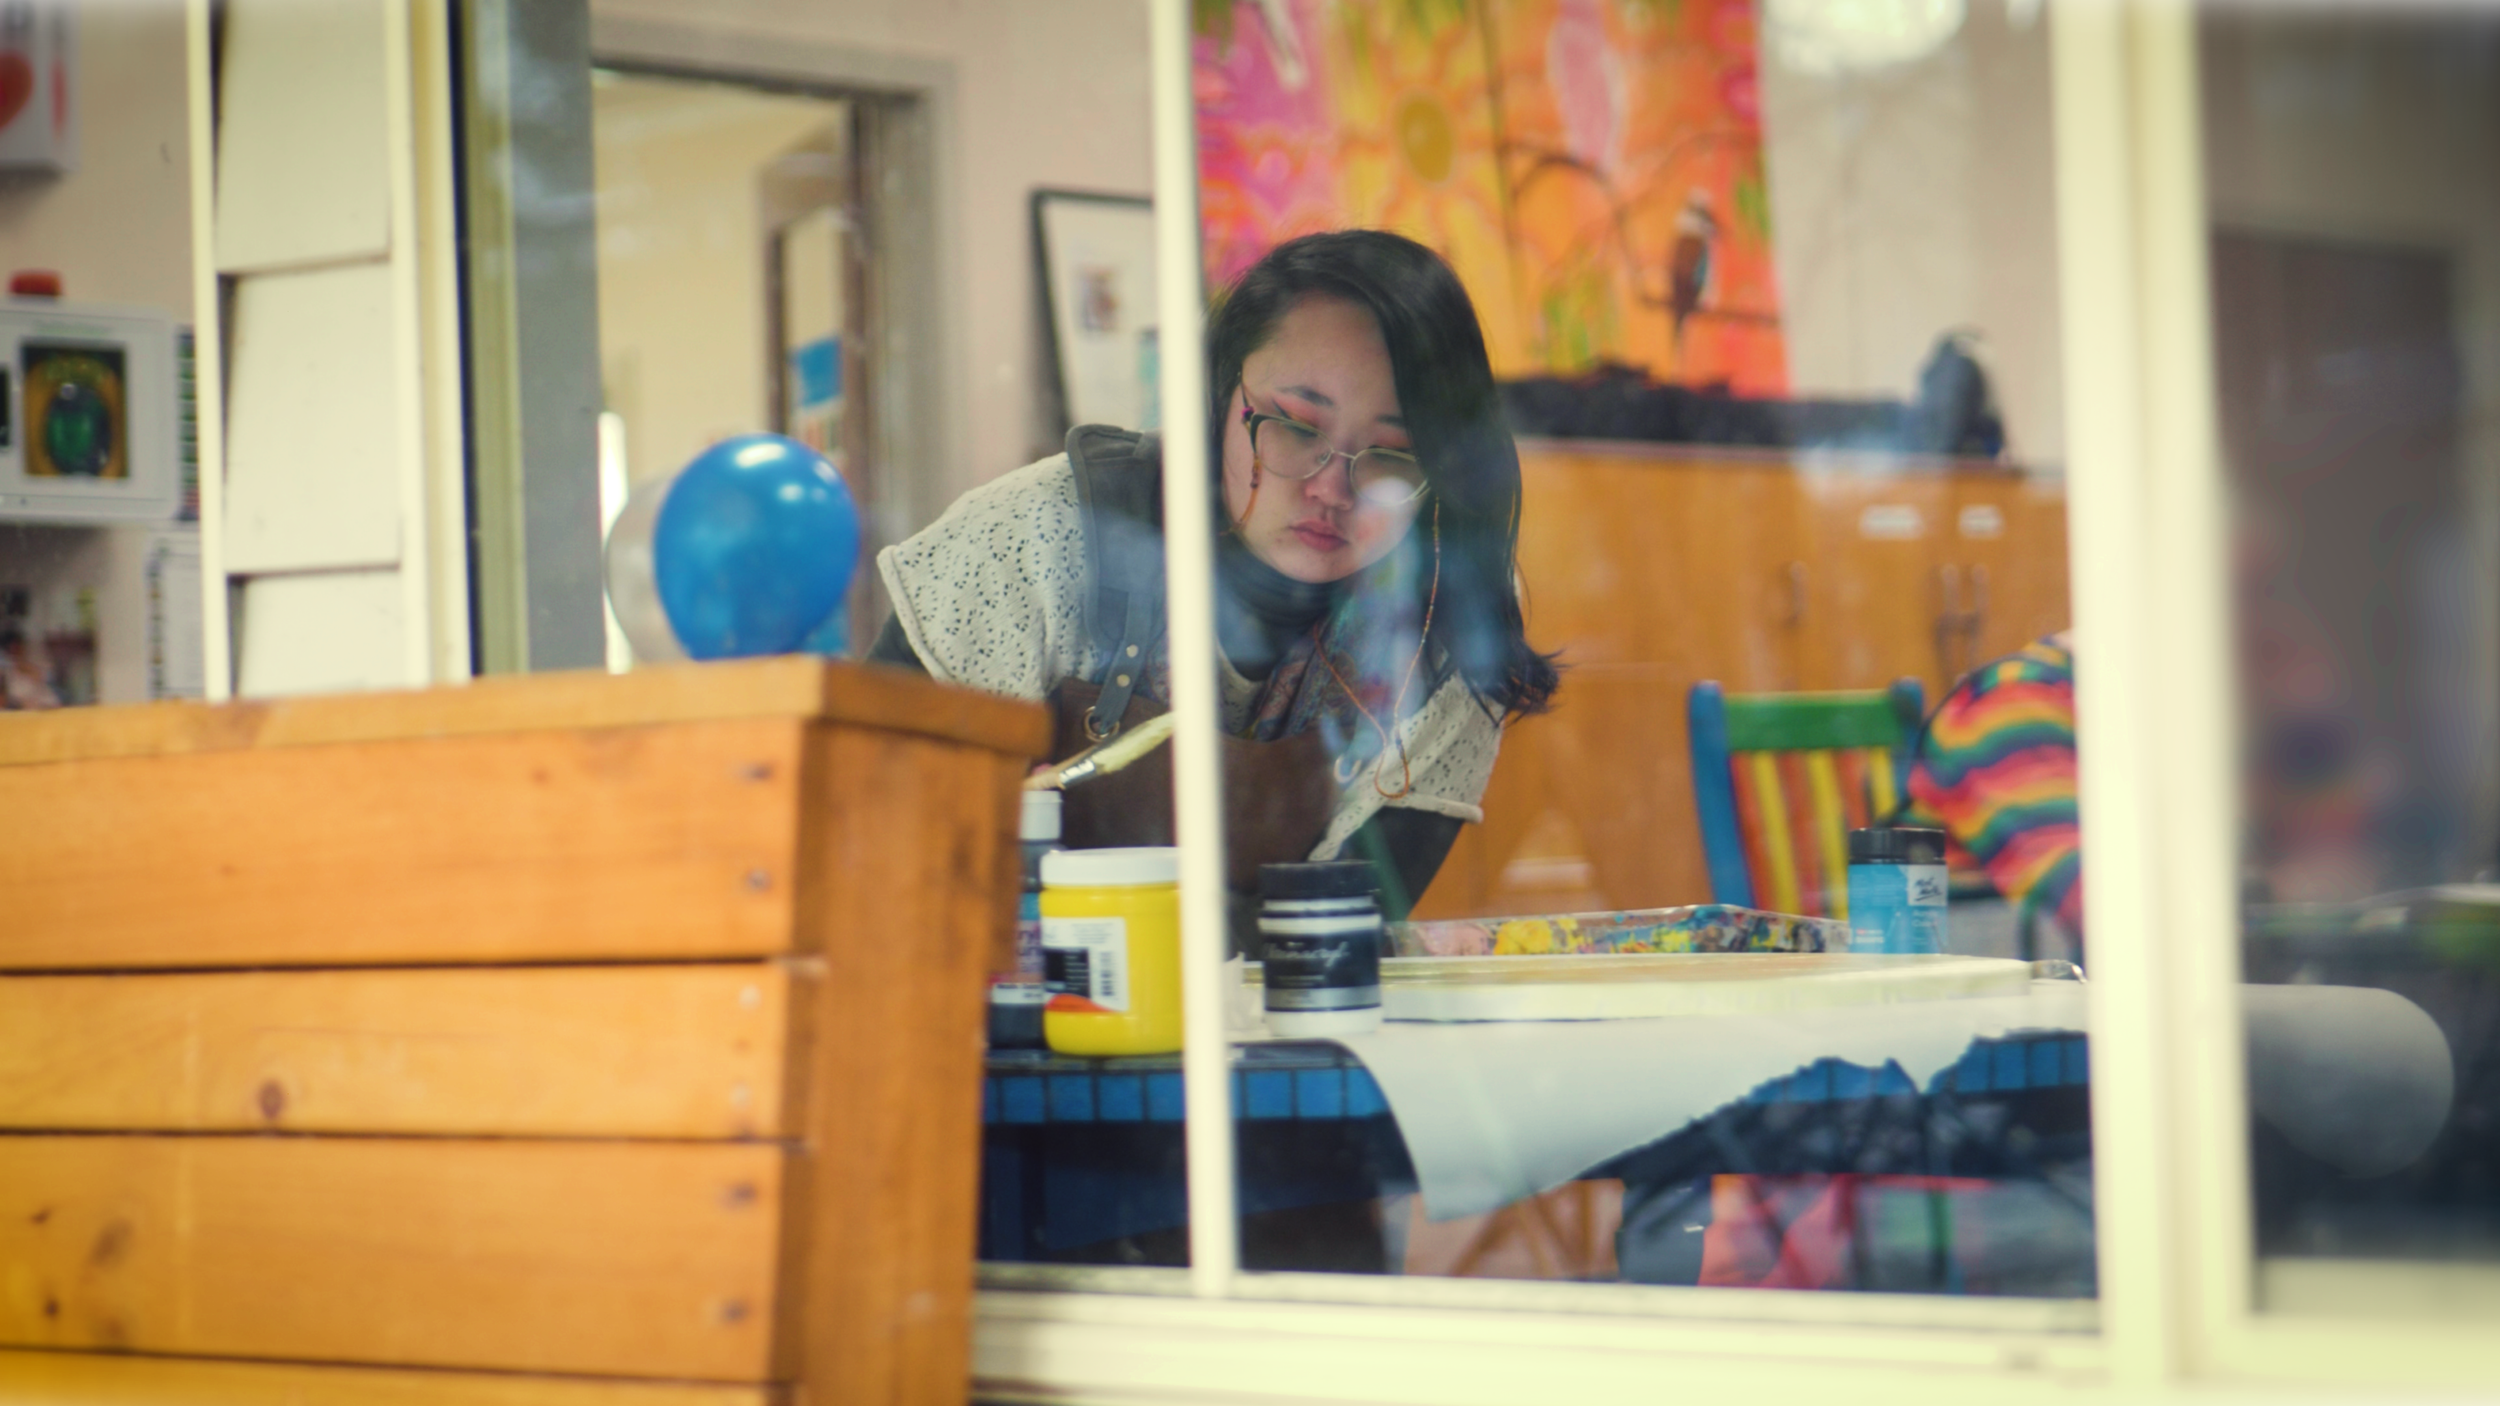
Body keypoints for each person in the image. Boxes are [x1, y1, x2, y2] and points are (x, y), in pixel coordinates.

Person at [868, 230, 1558, 924]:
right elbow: (876, 865)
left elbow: (1338, 944)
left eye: (1392, 453)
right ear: (1217, 399)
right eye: (1293, 424)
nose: (1333, 488)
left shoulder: (1447, 626)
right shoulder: (1035, 539)